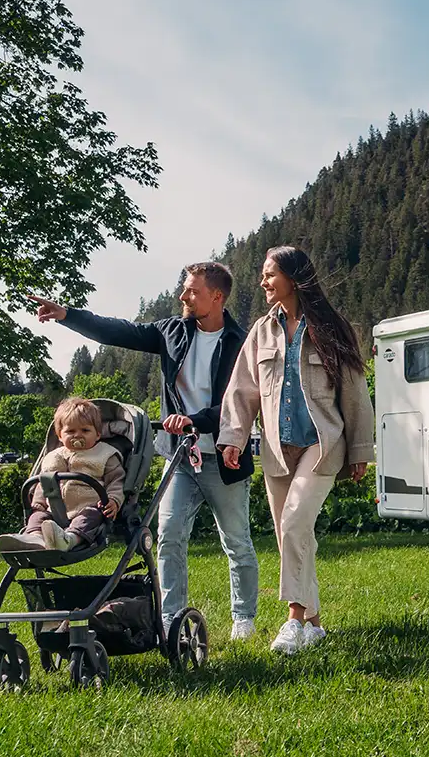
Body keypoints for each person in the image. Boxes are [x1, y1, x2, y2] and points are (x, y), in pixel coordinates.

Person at [27, 262, 260, 640]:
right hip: (180, 458)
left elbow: (242, 404)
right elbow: (119, 330)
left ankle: (244, 618)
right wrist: (68, 315)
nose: (183, 296)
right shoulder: (171, 332)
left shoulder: (241, 342)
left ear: (216, 297)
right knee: (168, 535)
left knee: (236, 541)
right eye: (184, 289)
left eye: (192, 291)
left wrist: (194, 421)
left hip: (223, 457)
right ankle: (171, 619)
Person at [218, 245, 374, 657]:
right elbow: (242, 389)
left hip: (322, 445)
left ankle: (293, 620)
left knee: (292, 525)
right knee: (295, 533)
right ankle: (316, 625)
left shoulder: (331, 327)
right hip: (275, 449)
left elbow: (355, 391)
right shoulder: (260, 331)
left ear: (293, 277)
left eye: (270, 274)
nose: (263, 282)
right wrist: (234, 438)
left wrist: (360, 448)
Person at [0, 397, 123, 553]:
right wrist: (38, 504)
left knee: (89, 517)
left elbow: (117, 481)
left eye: (85, 430)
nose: (77, 435)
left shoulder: (105, 454)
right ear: (59, 436)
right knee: (37, 517)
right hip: (54, 511)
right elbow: (42, 485)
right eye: (70, 431)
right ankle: (35, 538)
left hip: (88, 506)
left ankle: (69, 539)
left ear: (98, 434)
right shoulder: (52, 456)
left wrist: (113, 500)